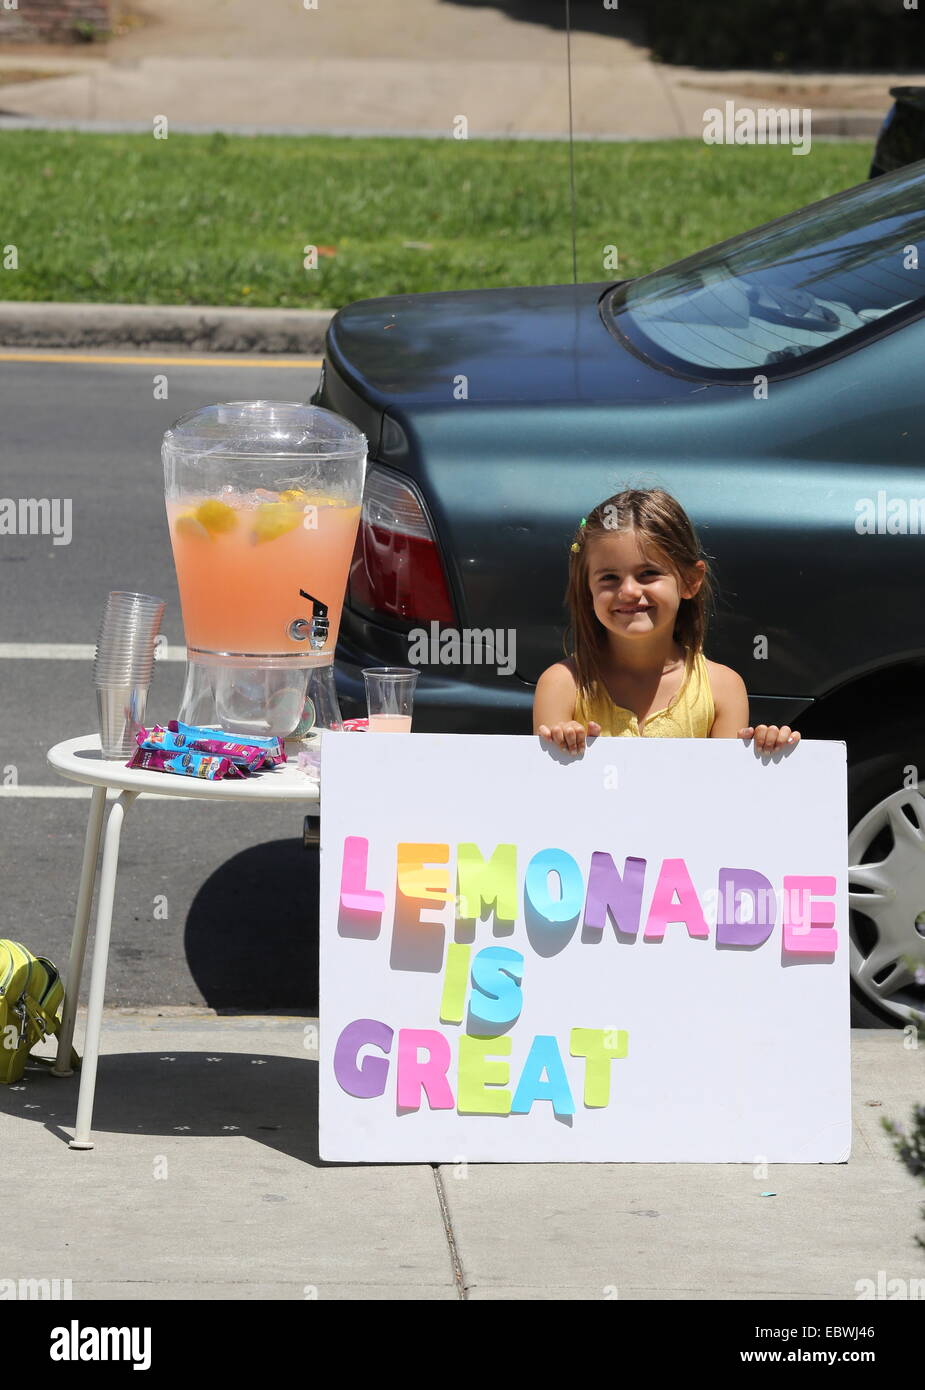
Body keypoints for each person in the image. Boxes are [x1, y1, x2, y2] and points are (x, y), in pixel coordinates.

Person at [533, 488, 800, 754]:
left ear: (689, 581)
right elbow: (549, 788)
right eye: (609, 578)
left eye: (648, 573)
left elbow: (725, 789)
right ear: (586, 587)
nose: (628, 591)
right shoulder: (562, 684)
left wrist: (766, 751)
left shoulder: (723, 687)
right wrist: (561, 748)